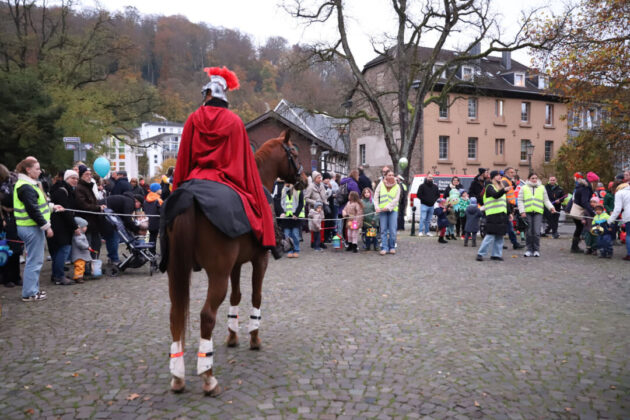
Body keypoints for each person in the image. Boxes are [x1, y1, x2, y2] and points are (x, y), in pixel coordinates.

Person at [172, 66, 277, 255]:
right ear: (223, 94)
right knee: (259, 208)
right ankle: (267, 243)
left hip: (195, 178)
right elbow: (243, 161)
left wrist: (176, 188)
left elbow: (183, 160)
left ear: (208, 94)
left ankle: (167, 254)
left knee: (169, 215)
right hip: (228, 179)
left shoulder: (192, 119)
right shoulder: (235, 122)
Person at [14, 157, 59, 301]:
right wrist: (47, 227)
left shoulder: (27, 185)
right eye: (37, 169)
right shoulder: (26, 186)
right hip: (31, 228)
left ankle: (33, 290)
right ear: (28, 170)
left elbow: (38, 205)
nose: (40, 171)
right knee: (34, 261)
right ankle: (29, 293)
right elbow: (33, 210)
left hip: (29, 227)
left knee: (33, 260)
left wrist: (52, 207)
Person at [49, 170, 80, 286]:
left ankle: (57, 274)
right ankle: (59, 276)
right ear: (66, 179)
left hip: (60, 225)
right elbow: (65, 211)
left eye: (76, 178)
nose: (75, 180)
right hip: (60, 226)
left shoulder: (65, 190)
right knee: (63, 250)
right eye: (72, 178)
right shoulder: (62, 191)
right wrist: (75, 227)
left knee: (58, 251)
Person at [517, 172, 556, 257]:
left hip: (538, 212)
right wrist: (522, 211)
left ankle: (536, 250)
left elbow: (546, 200)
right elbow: (520, 200)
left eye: (536, 178)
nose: (534, 180)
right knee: (529, 232)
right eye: (532, 178)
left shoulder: (542, 188)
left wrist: (551, 208)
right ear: (528, 179)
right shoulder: (524, 188)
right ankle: (529, 250)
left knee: (537, 232)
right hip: (527, 212)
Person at [103, 192, 146, 264]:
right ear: (137, 201)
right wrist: (137, 229)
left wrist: (133, 228)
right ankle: (114, 259)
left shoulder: (126, 200)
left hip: (107, 213)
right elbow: (127, 218)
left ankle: (112, 258)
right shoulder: (130, 202)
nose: (138, 208)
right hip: (105, 212)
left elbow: (125, 219)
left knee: (113, 236)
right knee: (113, 237)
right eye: (140, 205)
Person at [476, 170, 509, 262]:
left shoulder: (501, 187)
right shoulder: (489, 186)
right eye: (497, 175)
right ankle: (480, 253)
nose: (500, 177)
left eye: (500, 175)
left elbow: (505, 202)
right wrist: (504, 190)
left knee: (500, 236)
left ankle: (496, 254)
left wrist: (509, 213)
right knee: (490, 235)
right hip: (493, 215)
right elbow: (495, 195)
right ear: (493, 177)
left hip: (502, 214)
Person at [75, 165, 105, 259]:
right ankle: (88, 267)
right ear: (81, 176)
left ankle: (94, 263)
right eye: (86, 174)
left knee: (97, 244)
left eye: (90, 174)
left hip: (94, 221)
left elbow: (92, 201)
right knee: (88, 244)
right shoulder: (79, 188)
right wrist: (98, 208)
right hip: (86, 221)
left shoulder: (89, 187)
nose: (89, 176)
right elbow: (83, 205)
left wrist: (98, 207)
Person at [0, 164, 22, 288]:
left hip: (13, 218)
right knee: (5, 249)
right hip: (5, 220)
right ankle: (7, 277)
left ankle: (15, 276)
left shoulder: (11, 184)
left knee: (14, 249)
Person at [374, 170, 400, 255]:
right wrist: (377, 207)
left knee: (392, 230)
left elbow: (396, 199)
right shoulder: (381, 184)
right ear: (385, 176)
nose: (391, 176)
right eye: (389, 175)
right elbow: (376, 197)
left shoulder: (397, 186)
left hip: (393, 210)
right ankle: (384, 247)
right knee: (383, 230)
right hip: (382, 211)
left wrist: (388, 207)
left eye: (393, 175)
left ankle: (392, 247)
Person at [569, 172, 595, 253]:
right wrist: (591, 212)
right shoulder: (585, 188)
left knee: (579, 228)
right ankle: (574, 247)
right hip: (579, 209)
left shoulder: (581, 187)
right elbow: (584, 201)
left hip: (577, 208)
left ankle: (574, 246)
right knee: (579, 228)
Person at [500, 167, 525, 250]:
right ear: (506, 173)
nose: (513, 174)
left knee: (508, 227)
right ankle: (513, 243)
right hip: (506, 207)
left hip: (508, 206)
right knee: (507, 227)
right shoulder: (505, 181)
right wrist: (510, 209)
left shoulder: (508, 181)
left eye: (513, 172)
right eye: (511, 172)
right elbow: (505, 195)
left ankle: (511, 243)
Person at [277, 183, 304, 258]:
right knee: (287, 235)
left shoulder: (299, 190)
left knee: (295, 234)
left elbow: (301, 203)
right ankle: (289, 250)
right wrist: (282, 212)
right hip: (286, 218)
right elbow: (279, 203)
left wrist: (296, 214)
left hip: (295, 217)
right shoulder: (283, 190)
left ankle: (296, 250)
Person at [304, 171, 328, 248]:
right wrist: (315, 202)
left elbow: (324, 197)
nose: (320, 179)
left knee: (322, 226)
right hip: (314, 210)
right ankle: (313, 242)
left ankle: (321, 241)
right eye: (319, 177)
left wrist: (326, 204)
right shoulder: (310, 187)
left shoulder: (322, 186)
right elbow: (306, 198)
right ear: (314, 178)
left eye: (321, 177)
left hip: (321, 209)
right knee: (314, 227)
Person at [608, 181, 630, 261]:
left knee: (629, 235)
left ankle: (629, 254)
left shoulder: (619, 193)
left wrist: (610, 220)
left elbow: (617, 209)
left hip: (628, 216)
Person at [144, 183, 163, 254]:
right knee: (159, 238)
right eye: (160, 188)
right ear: (156, 190)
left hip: (149, 221)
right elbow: (162, 211)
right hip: (157, 222)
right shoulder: (158, 200)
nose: (161, 190)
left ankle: (152, 252)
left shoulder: (146, 199)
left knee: (152, 237)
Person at [71, 217, 90, 283]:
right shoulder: (78, 235)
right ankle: (78, 277)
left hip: (81, 255)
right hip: (79, 255)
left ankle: (80, 276)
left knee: (81, 265)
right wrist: (87, 247)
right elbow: (79, 243)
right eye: (85, 226)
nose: (86, 228)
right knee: (79, 266)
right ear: (79, 227)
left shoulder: (81, 234)